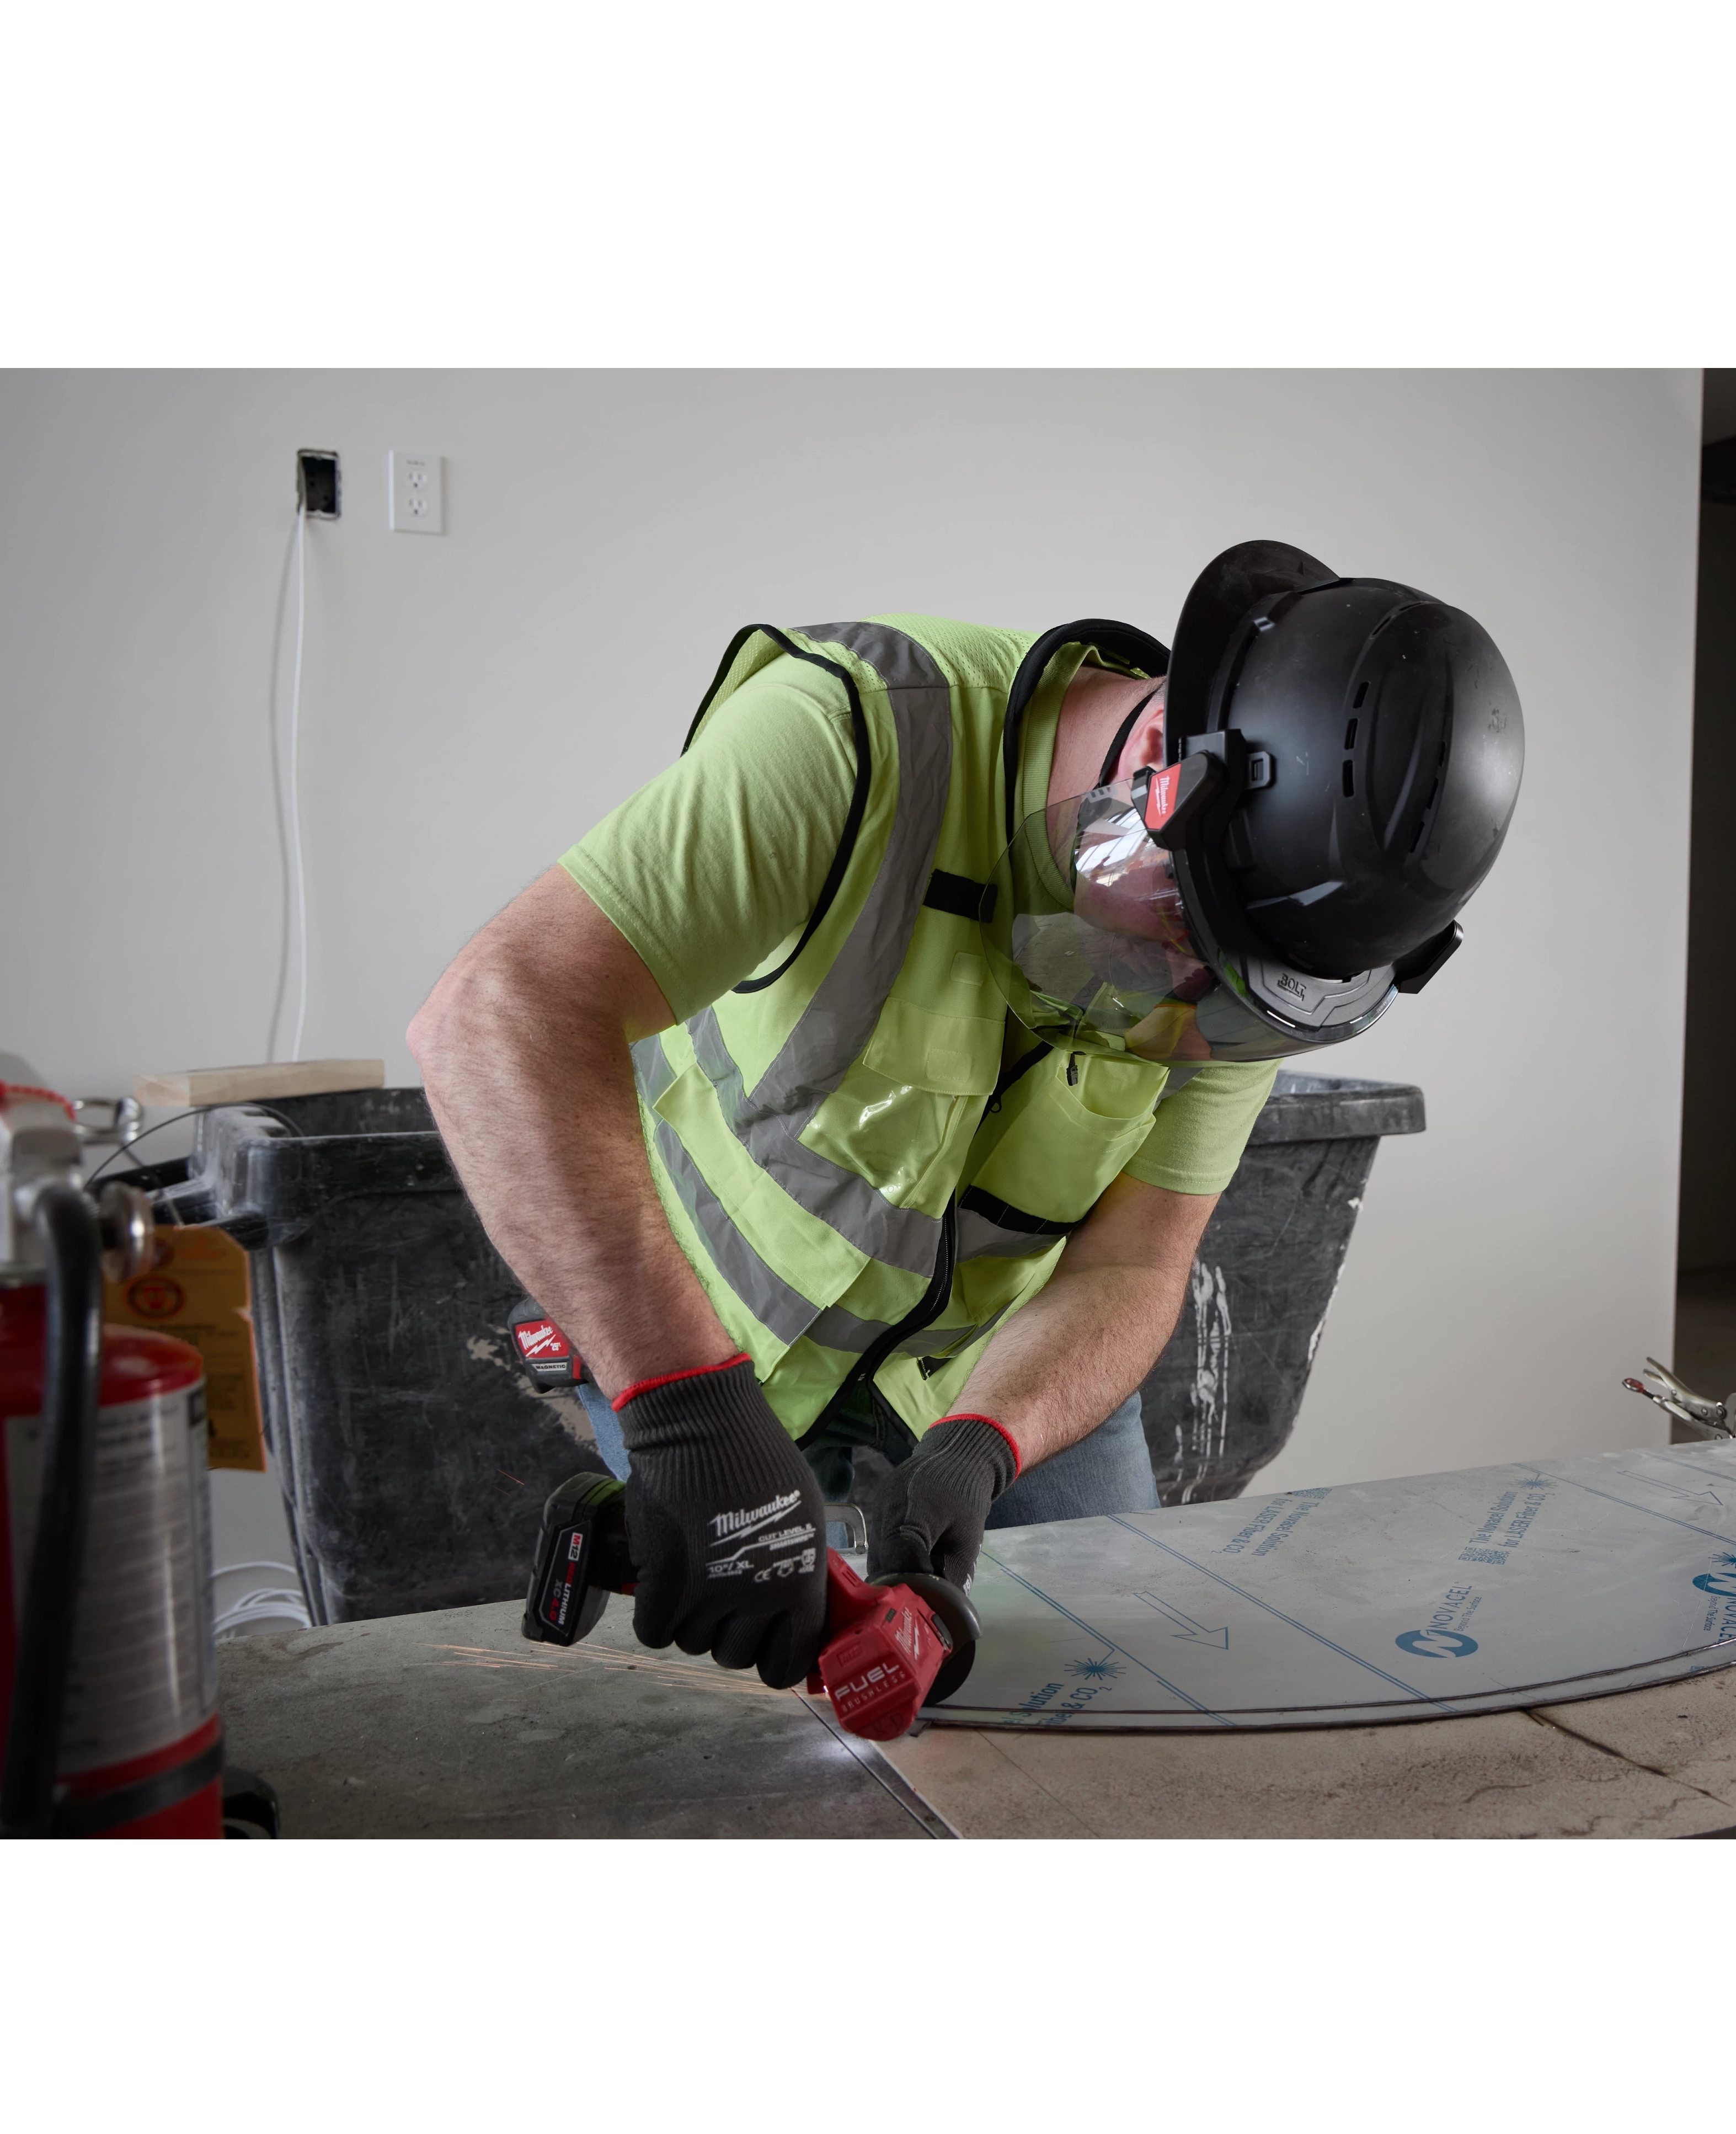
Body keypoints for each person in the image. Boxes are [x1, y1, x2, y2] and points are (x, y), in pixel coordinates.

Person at [409, 540, 1522, 1687]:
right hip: (694, 1328)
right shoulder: (849, 737)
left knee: (1114, 1671)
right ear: (1155, 773)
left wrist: (987, 1444)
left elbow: (1137, 1264)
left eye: (1228, 1002)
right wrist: (688, 1413)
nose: (1182, 1017)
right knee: (729, 1709)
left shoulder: (1250, 951)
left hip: (981, 1361)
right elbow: (494, 1014)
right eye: (1179, 950)